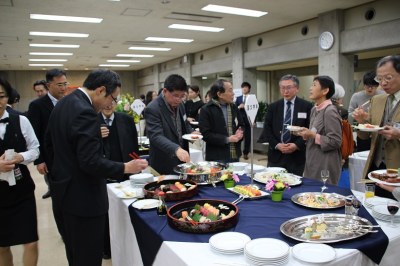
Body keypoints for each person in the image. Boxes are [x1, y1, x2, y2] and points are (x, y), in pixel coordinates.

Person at [45, 69, 148, 266]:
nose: (111, 104)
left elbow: (49, 146)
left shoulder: (64, 103)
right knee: (88, 257)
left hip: (64, 193)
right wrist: (125, 167)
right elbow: (90, 161)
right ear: (100, 90)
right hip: (84, 199)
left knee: (75, 255)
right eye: (112, 98)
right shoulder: (85, 111)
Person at [0, 77, 40, 266]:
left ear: (8, 97)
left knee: (31, 241)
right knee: (2, 245)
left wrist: (21, 157)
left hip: (21, 189)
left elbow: (35, 149)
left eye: (1, 96)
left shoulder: (21, 120)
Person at [353, 55, 400, 199]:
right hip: (375, 167)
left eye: (388, 78)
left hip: (397, 170)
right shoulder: (377, 100)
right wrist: (361, 123)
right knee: (373, 205)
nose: (383, 83)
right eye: (379, 79)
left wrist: (398, 134)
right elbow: (366, 136)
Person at [98, 103, 140, 260]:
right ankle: (106, 247)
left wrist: (136, 168)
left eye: (113, 101)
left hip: (126, 173)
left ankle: (126, 243)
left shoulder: (126, 119)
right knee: (105, 212)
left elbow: (134, 146)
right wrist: (96, 135)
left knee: (124, 208)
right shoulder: (92, 121)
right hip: (103, 174)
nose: (108, 105)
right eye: (106, 100)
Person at [259, 74, 313, 176]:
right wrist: (277, 145)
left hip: (297, 156)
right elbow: (267, 129)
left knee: (295, 184)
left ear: (297, 89)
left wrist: (296, 145)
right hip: (276, 155)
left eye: (289, 88)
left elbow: (309, 129)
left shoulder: (306, 106)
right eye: (282, 88)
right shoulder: (273, 107)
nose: (285, 91)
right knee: (273, 184)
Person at [27, 69, 68, 199]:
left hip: (68, 154)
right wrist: (39, 160)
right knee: (57, 190)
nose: (63, 88)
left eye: (65, 84)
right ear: (49, 85)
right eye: (59, 85)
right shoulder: (37, 105)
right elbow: (35, 134)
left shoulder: (69, 102)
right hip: (50, 156)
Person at [145, 74, 195, 174]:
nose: (179, 99)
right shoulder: (153, 108)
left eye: (182, 96)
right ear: (165, 91)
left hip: (181, 161)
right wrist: (176, 149)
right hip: (164, 162)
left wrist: (192, 132)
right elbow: (156, 136)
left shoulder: (180, 105)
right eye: (175, 95)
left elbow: (184, 123)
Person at [297, 76, 342, 185]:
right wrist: (306, 133)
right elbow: (315, 131)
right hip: (312, 160)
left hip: (325, 163)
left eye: (314, 85)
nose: (310, 88)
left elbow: (336, 141)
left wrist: (312, 135)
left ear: (325, 91)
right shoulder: (314, 109)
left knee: (322, 196)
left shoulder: (330, 111)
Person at [198, 79, 244, 163]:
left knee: (235, 176)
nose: (233, 93)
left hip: (234, 154)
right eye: (230, 90)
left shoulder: (234, 107)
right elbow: (206, 134)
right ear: (219, 94)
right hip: (217, 157)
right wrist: (227, 139)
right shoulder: (206, 109)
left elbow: (241, 124)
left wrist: (240, 132)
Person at [349, 71, 383, 152]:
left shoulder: (383, 95)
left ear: (377, 85)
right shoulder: (356, 96)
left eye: (373, 86)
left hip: (379, 133)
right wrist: (356, 114)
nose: (370, 88)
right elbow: (350, 114)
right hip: (362, 133)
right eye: (368, 86)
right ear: (364, 85)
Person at [235, 82, 252, 160]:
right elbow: (234, 108)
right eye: (243, 87)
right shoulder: (238, 98)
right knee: (239, 136)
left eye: (246, 87)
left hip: (249, 120)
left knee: (248, 138)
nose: (244, 89)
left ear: (249, 89)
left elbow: (255, 110)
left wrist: (253, 120)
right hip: (240, 121)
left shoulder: (252, 98)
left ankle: (246, 153)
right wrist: (239, 106)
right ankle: (238, 152)